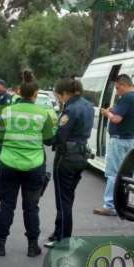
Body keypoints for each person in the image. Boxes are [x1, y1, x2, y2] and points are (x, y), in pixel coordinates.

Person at [0, 71, 57, 258]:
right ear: (35, 94)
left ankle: (0, 244)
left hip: (8, 165)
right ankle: (33, 246)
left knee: (6, 205)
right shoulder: (43, 114)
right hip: (34, 167)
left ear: (19, 93)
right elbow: (50, 140)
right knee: (31, 207)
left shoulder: (7, 112)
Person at [44, 78, 94, 248]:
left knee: (62, 201)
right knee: (68, 198)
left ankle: (63, 239)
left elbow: (59, 137)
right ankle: (58, 232)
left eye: (59, 96)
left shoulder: (71, 109)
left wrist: (46, 138)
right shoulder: (87, 105)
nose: (59, 99)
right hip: (80, 155)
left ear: (65, 93)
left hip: (66, 157)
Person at [94, 74, 134, 216]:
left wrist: (107, 114)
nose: (117, 91)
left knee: (113, 173)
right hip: (131, 139)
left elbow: (116, 119)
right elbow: (127, 113)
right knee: (126, 173)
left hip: (119, 139)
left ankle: (109, 205)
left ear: (123, 85)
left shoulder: (127, 97)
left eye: (117, 88)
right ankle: (123, 203)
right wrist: (114, 109)